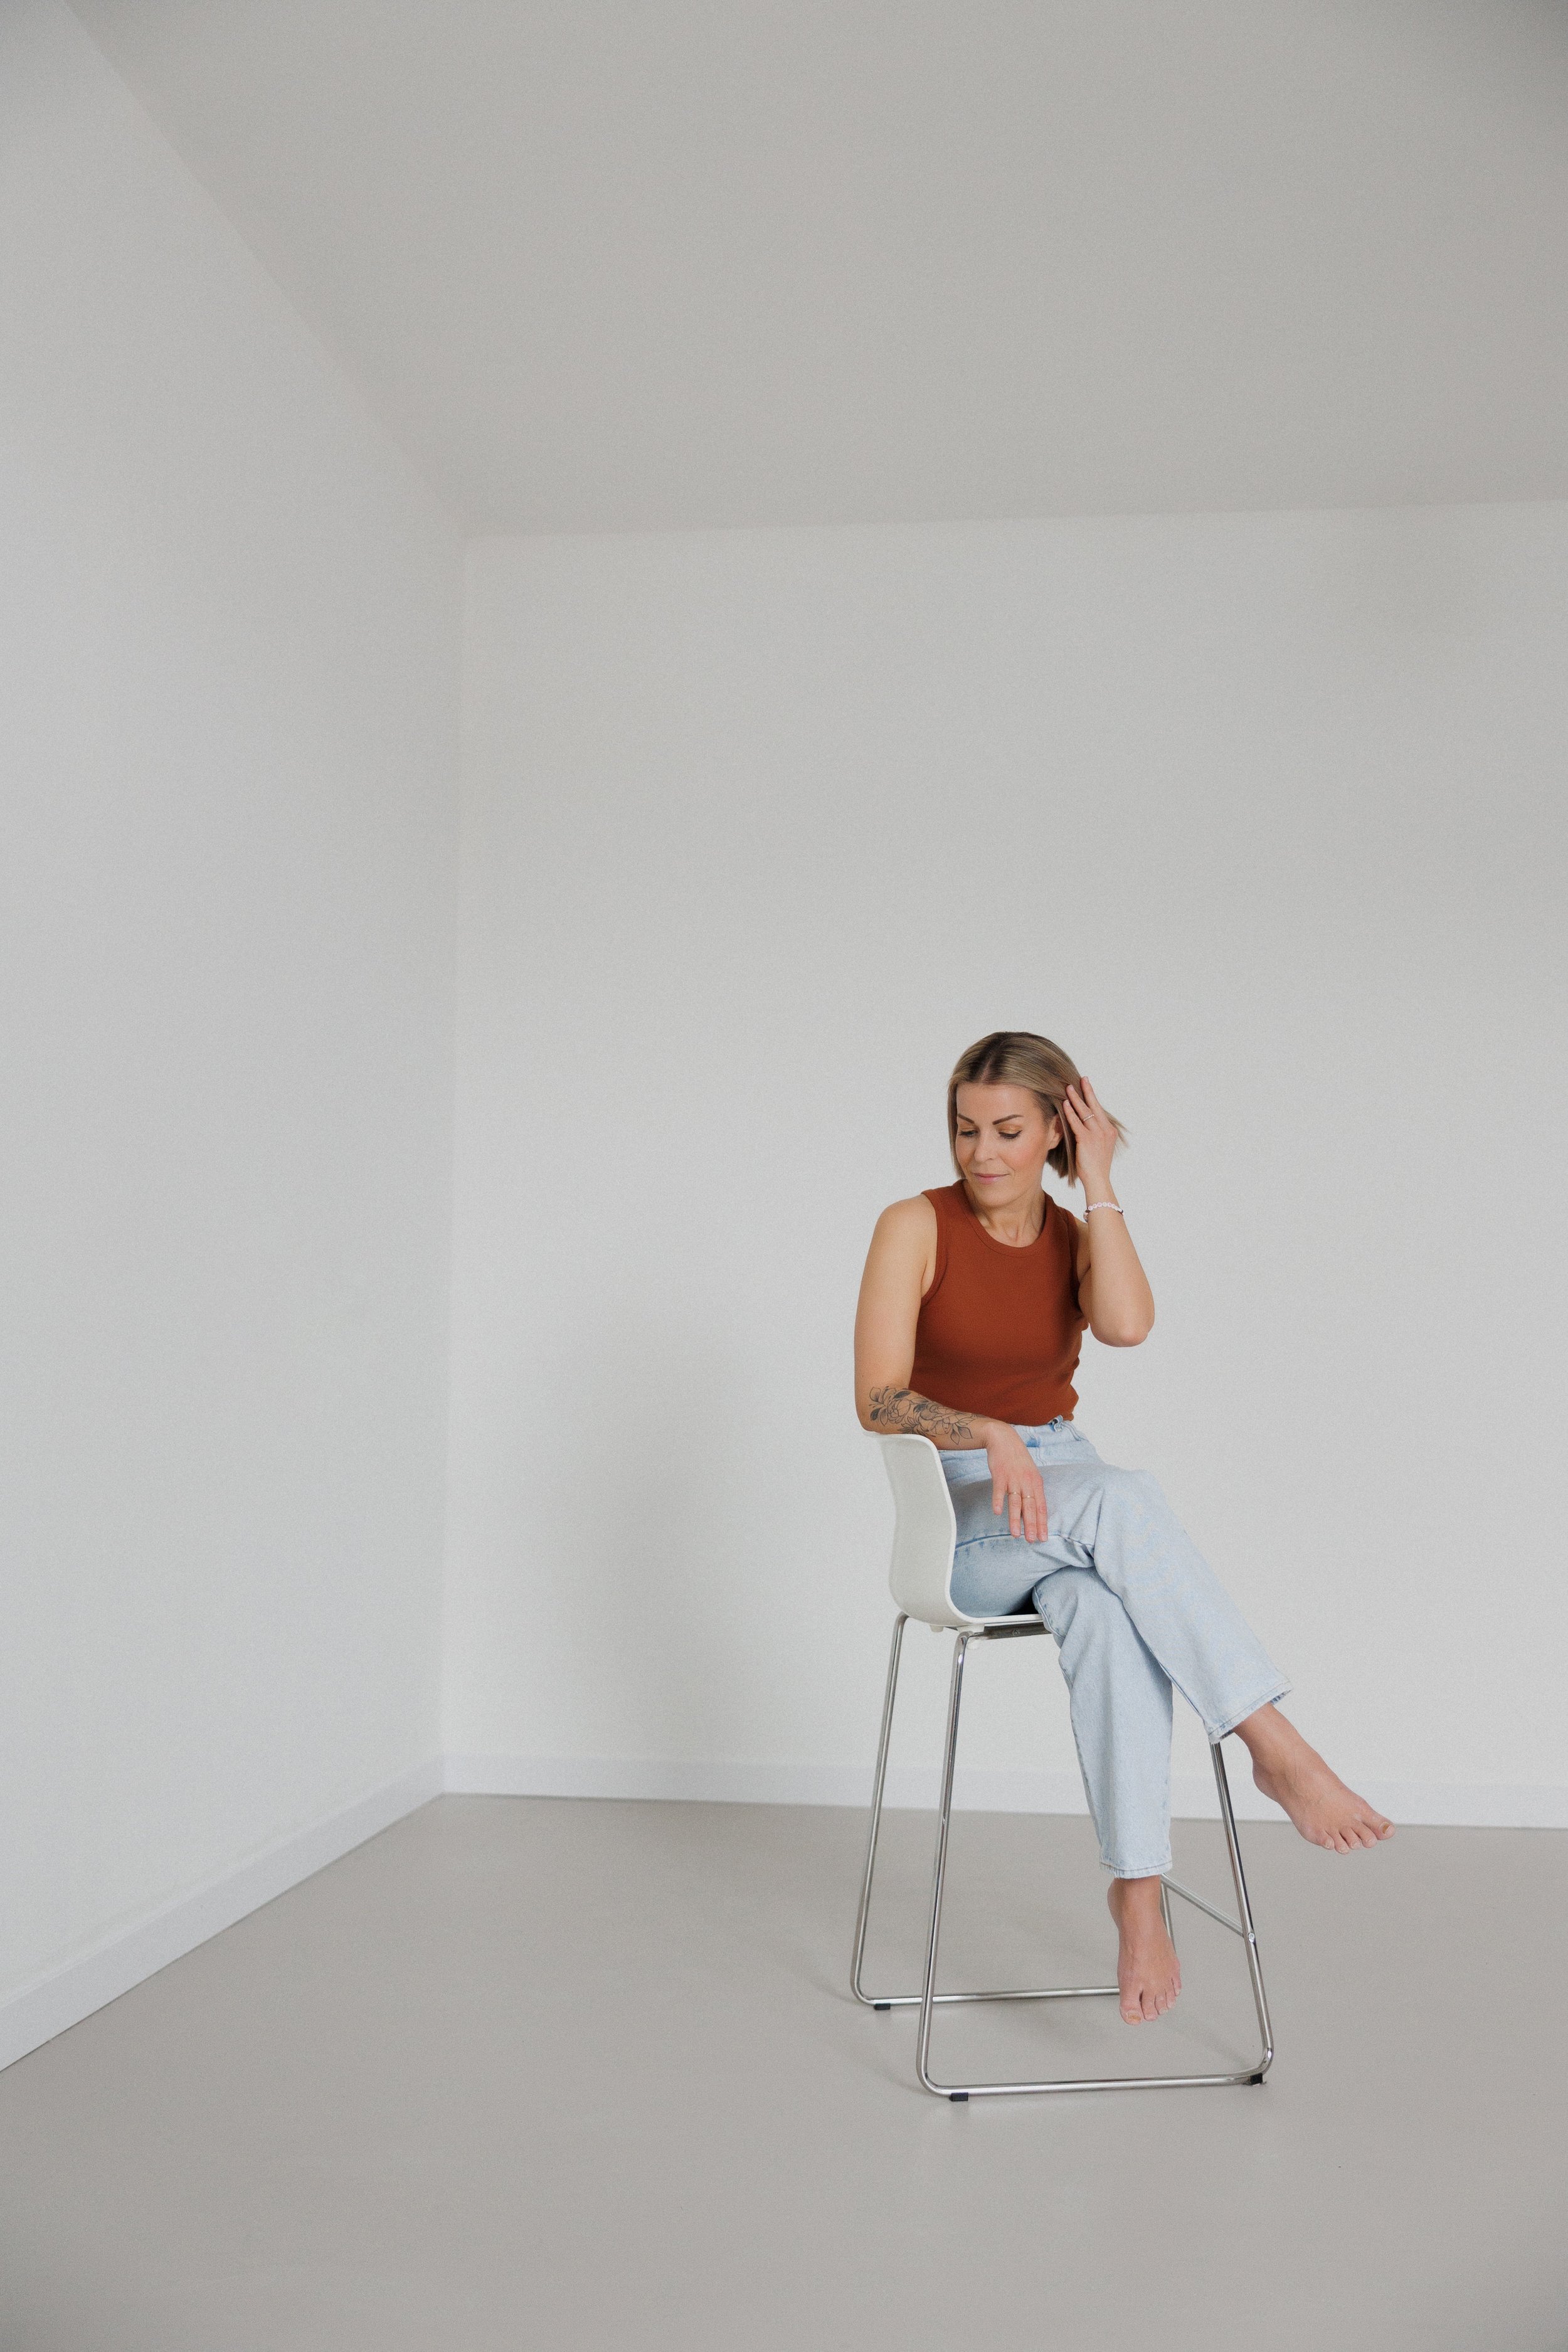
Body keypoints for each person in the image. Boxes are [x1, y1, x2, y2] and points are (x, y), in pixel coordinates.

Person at [853, 1029, 1392, 2025]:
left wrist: (1100, 1181)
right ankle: (1274, 1743)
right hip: (960, 1513)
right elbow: (878, 1398)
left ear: (1057, 1128)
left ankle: (1137, 1893)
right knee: (1124, 1495)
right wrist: (988, 1431)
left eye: (1008, 1130)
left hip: (1064, 1491)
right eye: (965, 1129)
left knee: (1105, 1610)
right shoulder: (914, 1225)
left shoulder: (1072, 1232)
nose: (981, 1152)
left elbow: (1129, 1326)